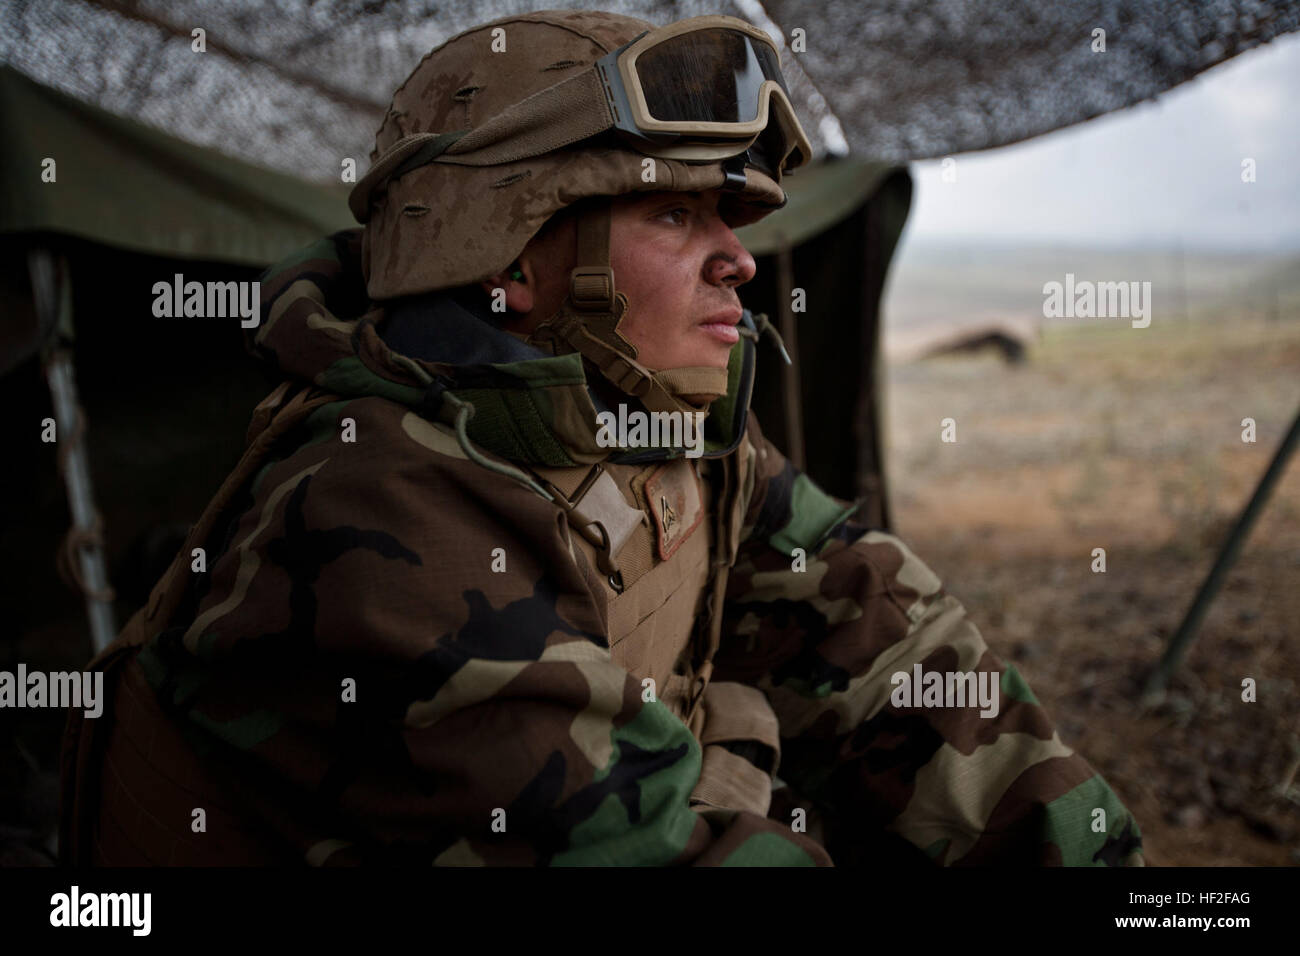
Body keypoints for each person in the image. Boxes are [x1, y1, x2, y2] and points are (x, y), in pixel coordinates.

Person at [59, 9, 1144, 867]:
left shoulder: (647, 419)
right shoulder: (375, 521)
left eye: (729, 214)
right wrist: (738, 767)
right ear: (512, 258)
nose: (740, 258)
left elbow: (875, 629)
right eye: (673, 215)